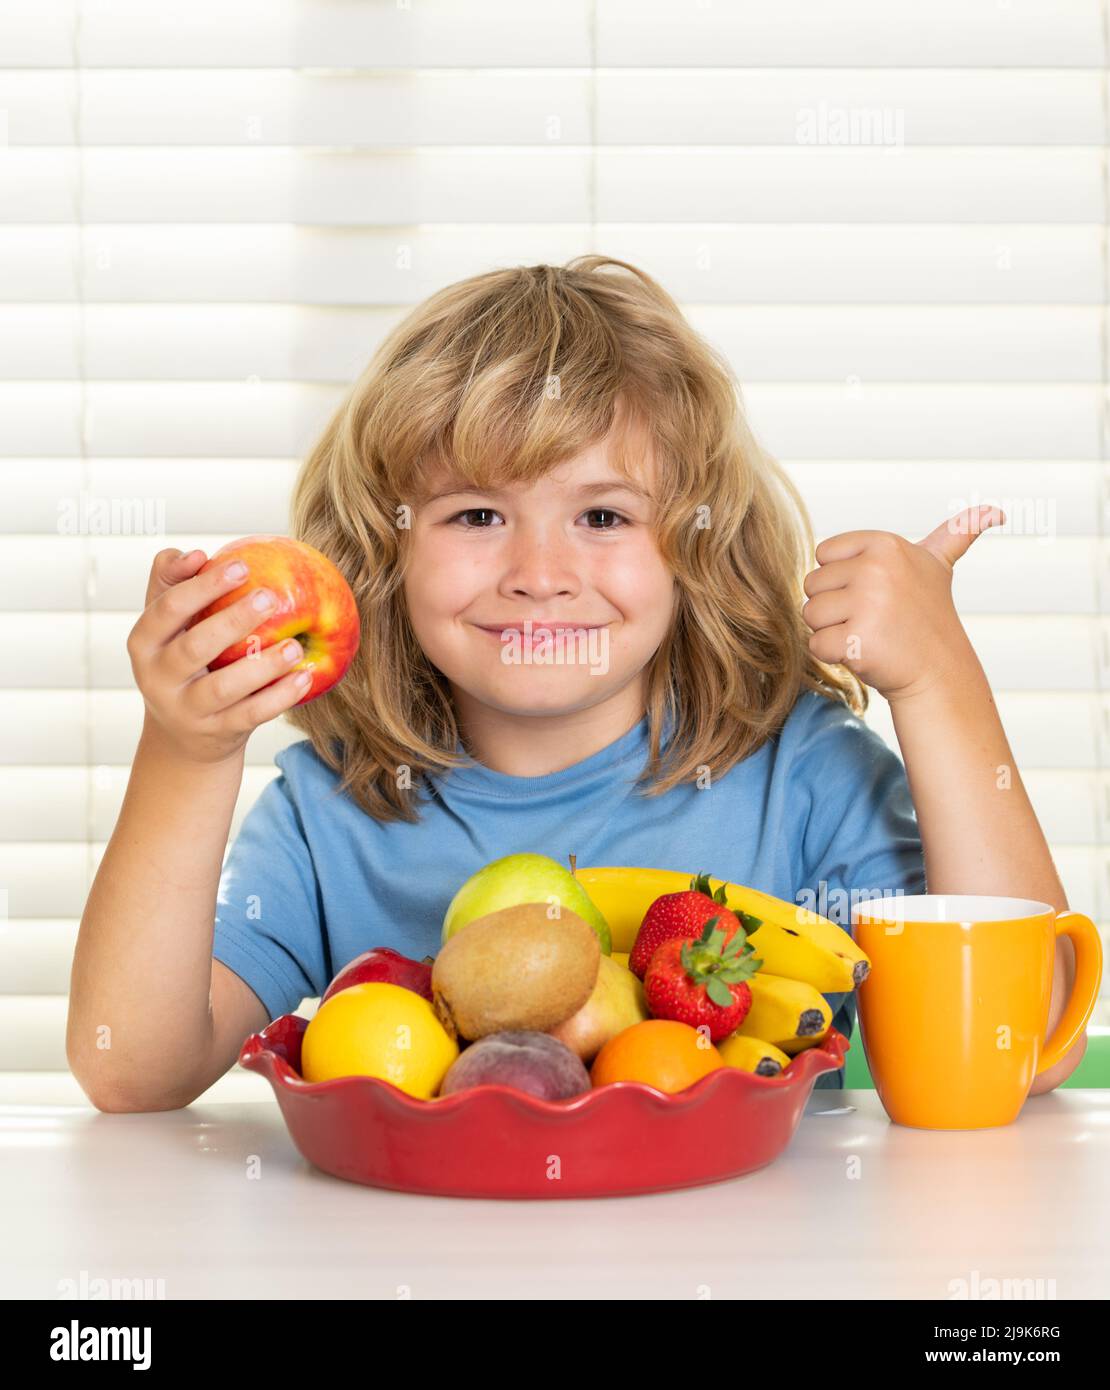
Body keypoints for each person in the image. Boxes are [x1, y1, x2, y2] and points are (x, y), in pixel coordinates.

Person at [68, 256, 1081, 1111]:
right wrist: (186, 748)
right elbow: (129, 1066)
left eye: (602, 516)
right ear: (387, 553)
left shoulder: (804, 778)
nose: (540, 572)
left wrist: (941, 683)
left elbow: (1027, 1034)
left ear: (695, 547)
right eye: (475, 515)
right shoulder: (333, 811)